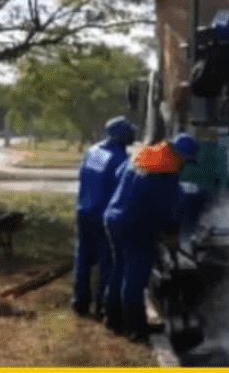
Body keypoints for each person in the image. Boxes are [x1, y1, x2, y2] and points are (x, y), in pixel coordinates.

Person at [102, 133, 197, 341]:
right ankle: (135, 328)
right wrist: (171, 234)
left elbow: (119, 175)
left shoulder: (143, 155)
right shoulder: (166, 175)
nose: (184, 166)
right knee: (136, 275)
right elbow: (166, 211)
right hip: (134, 226)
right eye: (186, 161)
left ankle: (112, 318)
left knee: (119, 268)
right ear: (179, 156)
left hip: (113, 218)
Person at [72, 116, 135, 320]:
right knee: (107, 262)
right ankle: (102, 306)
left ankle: (80, 301)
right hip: (101, 216)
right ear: (122, 136)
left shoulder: (92, 151)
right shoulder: (120, 159)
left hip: (83, 212)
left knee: (82, 258)